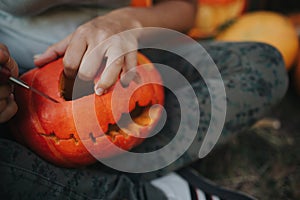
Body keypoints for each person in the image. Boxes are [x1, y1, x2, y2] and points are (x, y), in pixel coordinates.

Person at [0, 0, 288, 199]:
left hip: (129, 52)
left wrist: (124, 21)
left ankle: (81, 183)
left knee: (262, 65)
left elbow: (185, 7)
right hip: (19, 88)